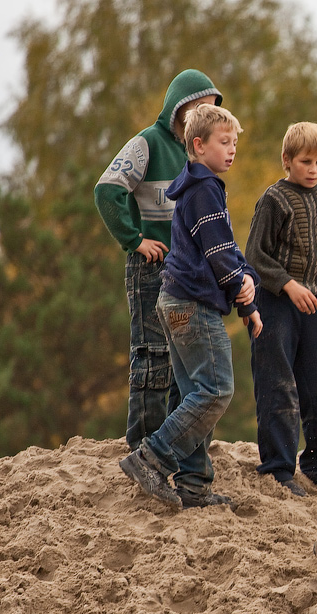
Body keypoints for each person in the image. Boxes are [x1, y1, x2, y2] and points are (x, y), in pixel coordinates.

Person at [119, 104, 263, 510]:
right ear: (198, 145)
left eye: (235, 143)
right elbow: (220, 253)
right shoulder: (204, 190)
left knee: (193, 394)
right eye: (224, 142)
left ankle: (194, 486)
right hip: (191, 306)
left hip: (175, 302)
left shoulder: (200, 186)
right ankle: (151, 458)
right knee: (216, 390)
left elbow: (227, 247)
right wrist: (240, 286)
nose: (232, 150)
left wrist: (246, 278)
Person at [94, 69, 222, 454]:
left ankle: (176, 450)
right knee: (153, 357)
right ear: (179, 107)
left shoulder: (200, 151)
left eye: (212, 110)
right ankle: (142, 446)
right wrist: (134, 240)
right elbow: (107, 191)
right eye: (200, 107)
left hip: (191, 273)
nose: (206, 114)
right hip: (153, 268)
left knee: (191, 365)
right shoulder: (147, 142)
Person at [245, 122, 317, 500]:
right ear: (287, 161)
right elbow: (255, 256)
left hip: (316, 307)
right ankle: (278, 469)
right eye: (306, 161)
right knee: (278, 386)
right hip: (276, 305)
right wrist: (288, 284)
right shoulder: (274, 200)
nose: (313, 168)